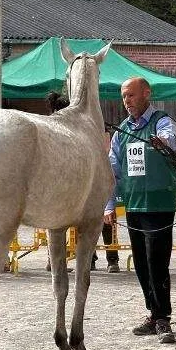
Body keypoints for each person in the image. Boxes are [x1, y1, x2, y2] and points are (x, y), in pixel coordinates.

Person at [105, 76, 176, 344]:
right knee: (140, 263)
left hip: (159, 204)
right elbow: (112, 171)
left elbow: (170, 139)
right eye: (124, 96)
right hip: (134, 204)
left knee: (157, 261)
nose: (127, 101)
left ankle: (162, 318)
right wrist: (109, 205)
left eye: (131, 95)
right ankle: (153, 313)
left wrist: (162, 142)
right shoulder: (121, 131)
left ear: (146, 94)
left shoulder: (162, 121)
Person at [45, 91, 120, 274]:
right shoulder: (73, 129)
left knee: (64, 223)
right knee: (93, 219)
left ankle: (95, 259)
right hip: (83, 181)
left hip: (71, 182)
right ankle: (106, 259)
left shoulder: (71, 128)